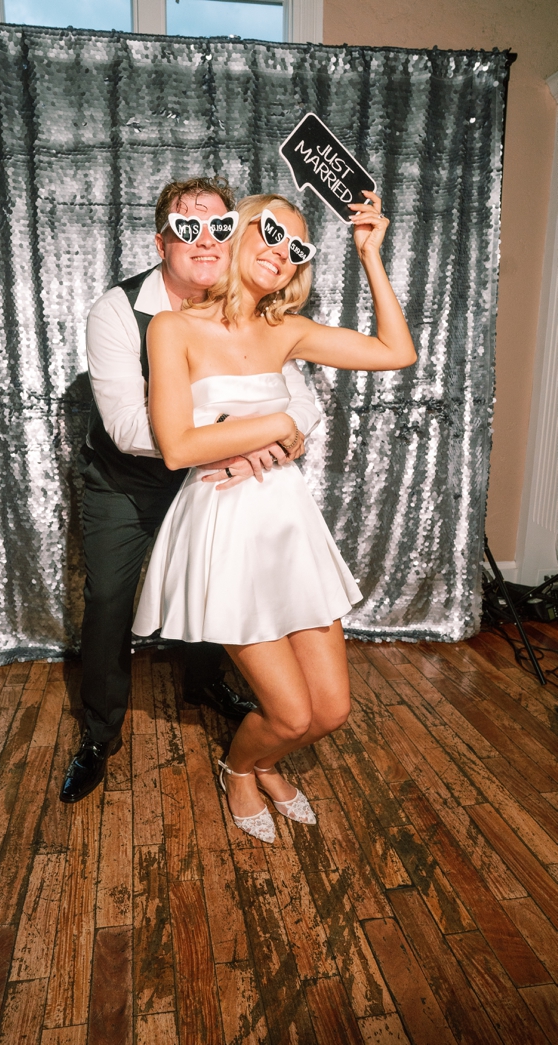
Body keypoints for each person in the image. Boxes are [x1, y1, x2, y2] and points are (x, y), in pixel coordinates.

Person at [132, 190, 414, 842]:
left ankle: (262, 762)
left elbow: (397, 353)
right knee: (289, 713)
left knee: (332, 709)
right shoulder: (172, 328)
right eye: (269, 231)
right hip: (227, 528)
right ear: (235, 234)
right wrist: (281, 423)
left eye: (297, 247)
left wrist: (370, 253)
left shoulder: (287, 331)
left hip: (288, 523)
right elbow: (178, 447)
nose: (281, 251)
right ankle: (242, 767)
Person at [61, 176, 326, 805]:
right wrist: (241, 435)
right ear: (162, 241)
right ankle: (99, 735)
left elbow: (302, 403)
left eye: (220, 227)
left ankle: (204, 682)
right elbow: (129, 428)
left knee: (222, 585)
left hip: (214, 481)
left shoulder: (250, 303)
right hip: (127, 482)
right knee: (107, 602)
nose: (205, 241)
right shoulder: (117, 310)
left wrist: (286, 437)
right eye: (187, 228)